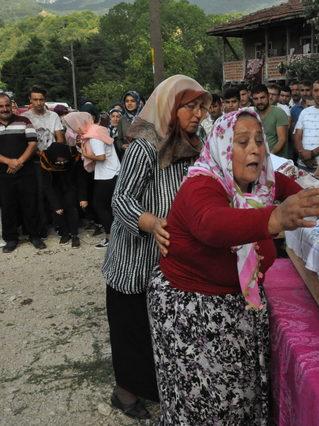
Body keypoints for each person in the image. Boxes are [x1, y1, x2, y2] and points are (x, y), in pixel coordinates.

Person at [147, 109, 319, 424]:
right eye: (242, 142)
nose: (255, 148)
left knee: (239, 399)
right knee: (208, 405)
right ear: (222, 149)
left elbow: (294, 191)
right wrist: (274, 218)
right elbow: (211, 224)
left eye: (259, 140)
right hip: (194, 313)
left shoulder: (263, 180)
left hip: (234, 306)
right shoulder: (202, 185)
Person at [101, 75, 212, 419]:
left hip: (173, 258)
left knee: (161, 329)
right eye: (190, 106)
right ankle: (125, 391)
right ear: (170, 107)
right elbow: (120, 200)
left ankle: (158, 385)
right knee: (131, 328)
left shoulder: (198, 142)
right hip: (135, 257)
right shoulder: (145, 146)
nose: (198, 114)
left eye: (201, 106)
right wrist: (150, 222)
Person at [66, 112, 120, 248]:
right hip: (110, 173)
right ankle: (114, 236)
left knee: (100, 206)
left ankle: (111, 238)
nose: (73, 129)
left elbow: (101, 157)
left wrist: (85, 154)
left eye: (73, 126)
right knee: (106, 206)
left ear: (79, 124)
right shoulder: (97, 130)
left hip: (108, 174)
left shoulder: (94, 137)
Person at [0, 92, 44, 252]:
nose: (4, 109)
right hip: (3, 173)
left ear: (11, 105)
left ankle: (34, 235)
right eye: (1, 106)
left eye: (7, 105)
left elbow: (32, 144)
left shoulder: (24, 121)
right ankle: (11, 239)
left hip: (26, 170)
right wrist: (9, 161)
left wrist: (19, 162)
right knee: (7, 206)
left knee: (30, 203)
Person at [22, 86, 65, 238]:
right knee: (39, 194)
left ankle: (60, 226)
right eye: (35, 99)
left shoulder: (53, 116)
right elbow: (26, 141)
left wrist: (57, 155)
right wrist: (40, 155)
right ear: (30, 100)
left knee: (56, 192)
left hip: (53, 160)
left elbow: (59, 137)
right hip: (35, 161)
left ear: (45, 100)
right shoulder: (26, 117)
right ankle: (42, 228)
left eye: (41, 99)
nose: (38, 102)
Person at [40, 141, 81, 247]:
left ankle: (74, 234)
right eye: (59, 162)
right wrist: (56, 205)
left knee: (71, 207)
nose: (62, 164)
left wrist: (82, 197)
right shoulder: (45, 161)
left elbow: (79, 179)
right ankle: (64, 233)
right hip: (54, 187)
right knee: (58, 211)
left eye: (64, 161)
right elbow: (47, 186)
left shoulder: (72, 158)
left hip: (69, 185)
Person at [251, 84, 289, 156]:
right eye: (256, 99)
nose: (259, 102)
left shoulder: (279, 113)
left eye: (262, 98)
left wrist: (269, 156)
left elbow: (282, 140)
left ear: (268, 96)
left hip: (276, 160)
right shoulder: (251, 114)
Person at [115, 90, 144, 158]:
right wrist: (122, 146)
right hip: (128, 156)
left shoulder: (145, 117)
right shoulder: (122, 119)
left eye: (133, 101)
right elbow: (119, 139)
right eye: (127, 101)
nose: (129, 103)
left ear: (138, 102)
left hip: (143, 155)